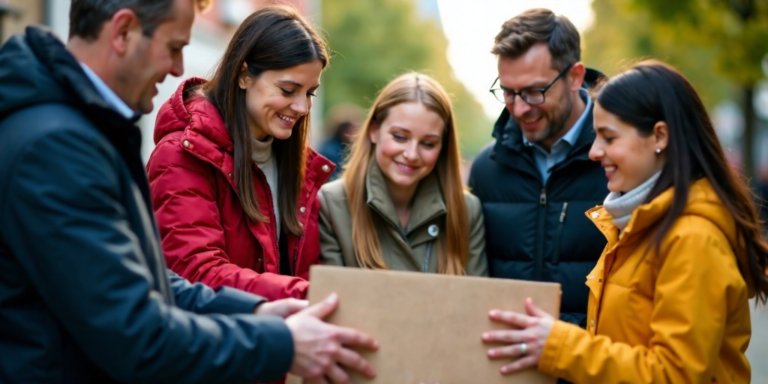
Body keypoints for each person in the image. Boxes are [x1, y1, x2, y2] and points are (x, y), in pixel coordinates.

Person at [0, 1, 377, 383]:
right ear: (123, 31)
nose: (179, 69)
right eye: (174, 46)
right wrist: (279, 341)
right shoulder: (56, 147)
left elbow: (151, 281)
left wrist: (259, 310)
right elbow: (136, 333)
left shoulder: (79, 132)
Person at [481, 61, 768, 383]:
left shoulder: (691, 237)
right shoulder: (638, 224)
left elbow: (675, 375)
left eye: (608, 137)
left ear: (659, 135)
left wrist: (559, 345)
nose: (593, 151)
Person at [147, 6, 334, 301]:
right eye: (288, 90)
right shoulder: (181, 156)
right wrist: (311, 295)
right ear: (245, 76)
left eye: (309, 93)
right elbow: (196, 274)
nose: (302, 107)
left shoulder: (300, 166)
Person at [469, 8, 608, 327]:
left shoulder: (620, 162)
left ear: (574, 76)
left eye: (534, 92)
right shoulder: (486, 169)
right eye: (508, 92)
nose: (519, 108)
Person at [318, 72, 488, 276]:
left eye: (428, 143)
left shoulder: (466, 210)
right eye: (399, 137)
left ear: (443, 147)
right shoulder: (331, 204)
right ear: (374, 130)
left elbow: (473, 299)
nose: (411, 154)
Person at [317, 103, 365, 181]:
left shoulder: (349, 149)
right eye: (351, 129)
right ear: (342, 130)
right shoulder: (330, 151)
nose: (354, 133)